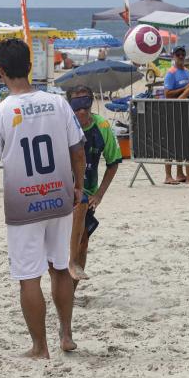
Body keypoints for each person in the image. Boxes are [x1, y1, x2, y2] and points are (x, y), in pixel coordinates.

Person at [0, 38, 86, 359]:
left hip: (23, 203)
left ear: (0, 71)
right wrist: (78, 186)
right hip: (59, 196)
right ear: (29, 66)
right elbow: (78, 151)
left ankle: (40, 347)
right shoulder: (58, 103)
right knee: (60, 268)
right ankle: (66, 334)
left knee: (28, 277)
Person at [63, 85, 121, 288]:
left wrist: (100, 195)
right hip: (62, 189)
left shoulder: (102, 126)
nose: (82, 110)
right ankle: (69, 268)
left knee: (83, 241)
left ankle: (71, 292)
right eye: (77, 105)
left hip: (87, 189)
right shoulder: (63, 125)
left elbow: (113, 162)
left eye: (86, 104)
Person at [162, 46, 189, 184]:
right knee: (171, 143)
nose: (180, 56)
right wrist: (184, 89)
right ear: (173, 56)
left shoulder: (187, 71)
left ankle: (180, 173)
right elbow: (167, 94)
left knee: (181, 143)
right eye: (178, 54)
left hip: (184, 111)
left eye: (182, 54)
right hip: (172, 111)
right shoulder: (171, 73)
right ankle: (168, 175)